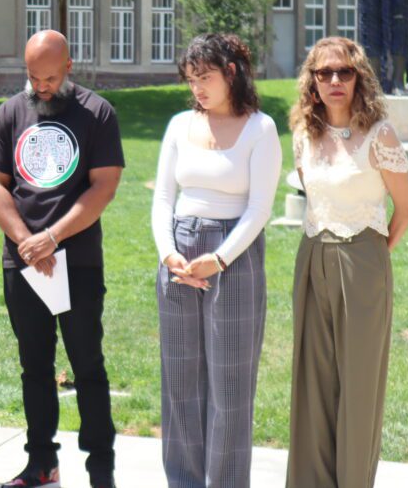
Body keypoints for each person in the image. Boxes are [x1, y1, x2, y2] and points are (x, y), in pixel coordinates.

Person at [0, 30, 122, 488]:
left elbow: (104, 187)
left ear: (68, 67)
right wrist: (26, 241)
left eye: (48, 77)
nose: (39, 86)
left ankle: (100, 469)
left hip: (76, 261)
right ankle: (42, 463)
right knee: (34, 367)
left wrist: (53, 237)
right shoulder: (9, 113)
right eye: (32, 76)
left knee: (87, 366)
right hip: (22, 263)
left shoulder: (97, 113)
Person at [150, 34, 282, 488]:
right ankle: (183, 481)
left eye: (205, 77)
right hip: (179, 255)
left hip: (233, 257)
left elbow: (260, 208)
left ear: (230, 73)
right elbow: (163, 196)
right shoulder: (178, 124)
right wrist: (168, 252)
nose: (197, 88)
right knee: (180, 383)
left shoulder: (260, 128)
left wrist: (220, 259)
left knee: (229, 388)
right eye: (191, 80)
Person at [286, 36, 408, 488]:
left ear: (359, 77)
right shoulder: (303, 133)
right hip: (312, 256)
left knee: (358, 385)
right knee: (313, 381)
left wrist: (373, 255)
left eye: (344, 72)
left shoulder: (380, 135)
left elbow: (406, 207)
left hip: (363, 259)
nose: (335, 81)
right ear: (312, 81)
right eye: (325, 73)